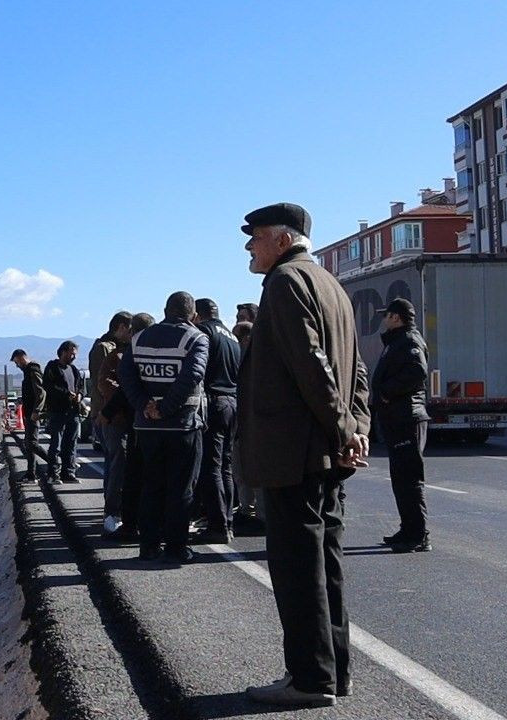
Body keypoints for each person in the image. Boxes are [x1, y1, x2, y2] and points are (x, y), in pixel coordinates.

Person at [237, 203, 370, 708]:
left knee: (297, 569)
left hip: (294, 454)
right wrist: (355, 428)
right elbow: (355, 373)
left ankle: (310, 679)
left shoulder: (286, 283)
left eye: (254, 238)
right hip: (323, 453)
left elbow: (313, 366)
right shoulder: (332, 286)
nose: (249, 248)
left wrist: (342, 429)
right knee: (326, 564)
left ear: (280, 239)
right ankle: (335, 671)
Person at [118, 293, 209, 563]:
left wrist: (144, 404)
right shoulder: (196, 338)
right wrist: (166, 407)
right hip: (182, 427)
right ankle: (176, 547)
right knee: (181, 488)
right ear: (192, 315)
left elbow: (126, 376)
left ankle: (148, 546)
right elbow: (193, 375)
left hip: (146, 429)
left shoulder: (139, 338)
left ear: (165, 310)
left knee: (151, 486)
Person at [372, 298, 431, 553]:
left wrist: (386, 392)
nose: (384, 319)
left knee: (410, 479)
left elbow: (417, 372)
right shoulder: (397, 341)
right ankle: (408, 529)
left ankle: (419, 535)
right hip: (397, 418)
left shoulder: (409, 341)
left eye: (387, 315)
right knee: (400, 479)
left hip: (407, 417)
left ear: (396, 317)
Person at [96, 312, 153, 537]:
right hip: (123, 419)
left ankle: (132, 517)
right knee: (119, 465)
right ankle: (114, 513)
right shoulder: (115, 354)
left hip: (138, 419)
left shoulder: (141, 352)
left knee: (132, 469)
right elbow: (108, 384)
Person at [192, 298, 242, 544]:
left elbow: (197, 368)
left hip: (213, 401)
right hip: (233, 401)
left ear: (197, 314)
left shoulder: (204, 332)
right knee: (226, 466)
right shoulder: (231, 336)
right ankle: (227, 523)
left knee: (211, 465)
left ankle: (217, 525)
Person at [89, 312, 133, 530]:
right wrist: (103, 413)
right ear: (121, 327)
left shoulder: (120, 350)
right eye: (129, 329)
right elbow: (101, 384)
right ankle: (111, 512)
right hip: (110, 414)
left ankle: (117, 509)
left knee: (117, 462)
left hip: (116, 413)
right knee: (115, 462)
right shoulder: (105, 349)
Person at [230, 320, 260, 526]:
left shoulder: (259, 360)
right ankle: (246, 510)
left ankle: (259, 515)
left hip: (255, 425)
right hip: (241, 424)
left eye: (238, 338)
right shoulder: (240, 359)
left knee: (255, 473)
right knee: (240, 471)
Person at [43, 341, 84, 483]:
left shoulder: (74, 370)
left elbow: (80, 387)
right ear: (63, 352)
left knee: (71, 443)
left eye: (75, 354)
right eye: (71, 353)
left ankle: (69, 472)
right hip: (57, 411)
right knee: (56, 443)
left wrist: (79, 395)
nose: (73, 357)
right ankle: (53, 473)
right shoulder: (52, 367)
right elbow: (48, 386)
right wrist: (66, 394)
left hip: (73, 411)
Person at [11, 349, 46, 482]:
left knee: (31, 443)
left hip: (33, 414)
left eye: (17, 362)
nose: (17, 366)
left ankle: (55, 462)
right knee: (28, 444)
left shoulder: (32, 370)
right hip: (28, 412)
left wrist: (37, 411)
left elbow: (40, 393)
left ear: (21, 358)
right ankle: (31, 473)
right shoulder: (28, 372)